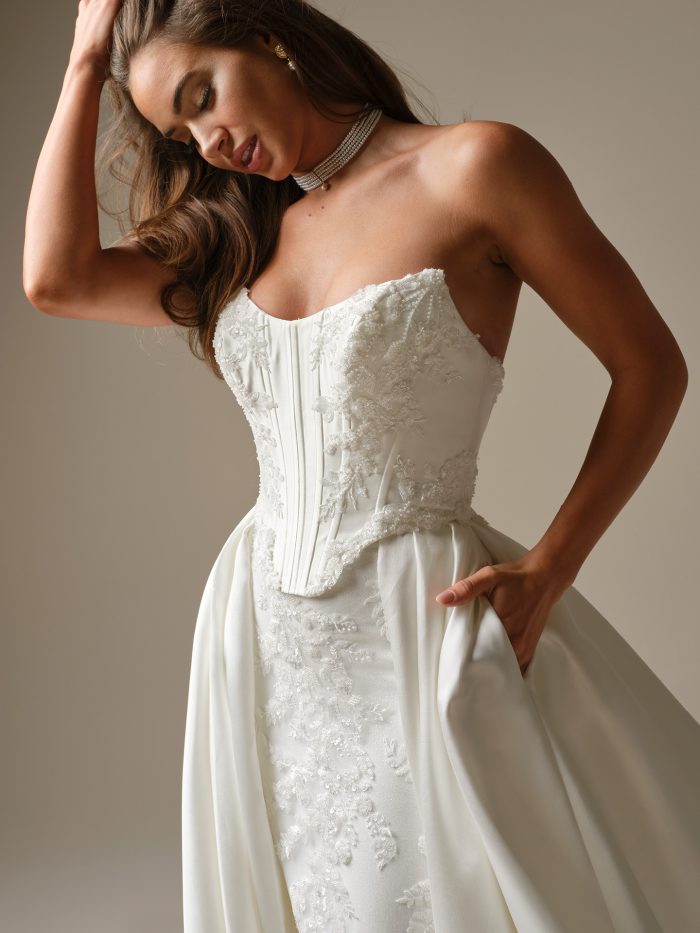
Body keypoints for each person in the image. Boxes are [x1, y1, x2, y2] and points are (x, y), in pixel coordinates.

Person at [23, 1, 700, 931]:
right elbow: (54, 279)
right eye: (180, 134)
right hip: (260, 641)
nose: (208, 144)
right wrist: (83, 64)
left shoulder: (476, 168)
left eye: (201, 96)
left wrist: (551, 568)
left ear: (268, 37)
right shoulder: (240, 237)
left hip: (417, 625)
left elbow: (651, 366)